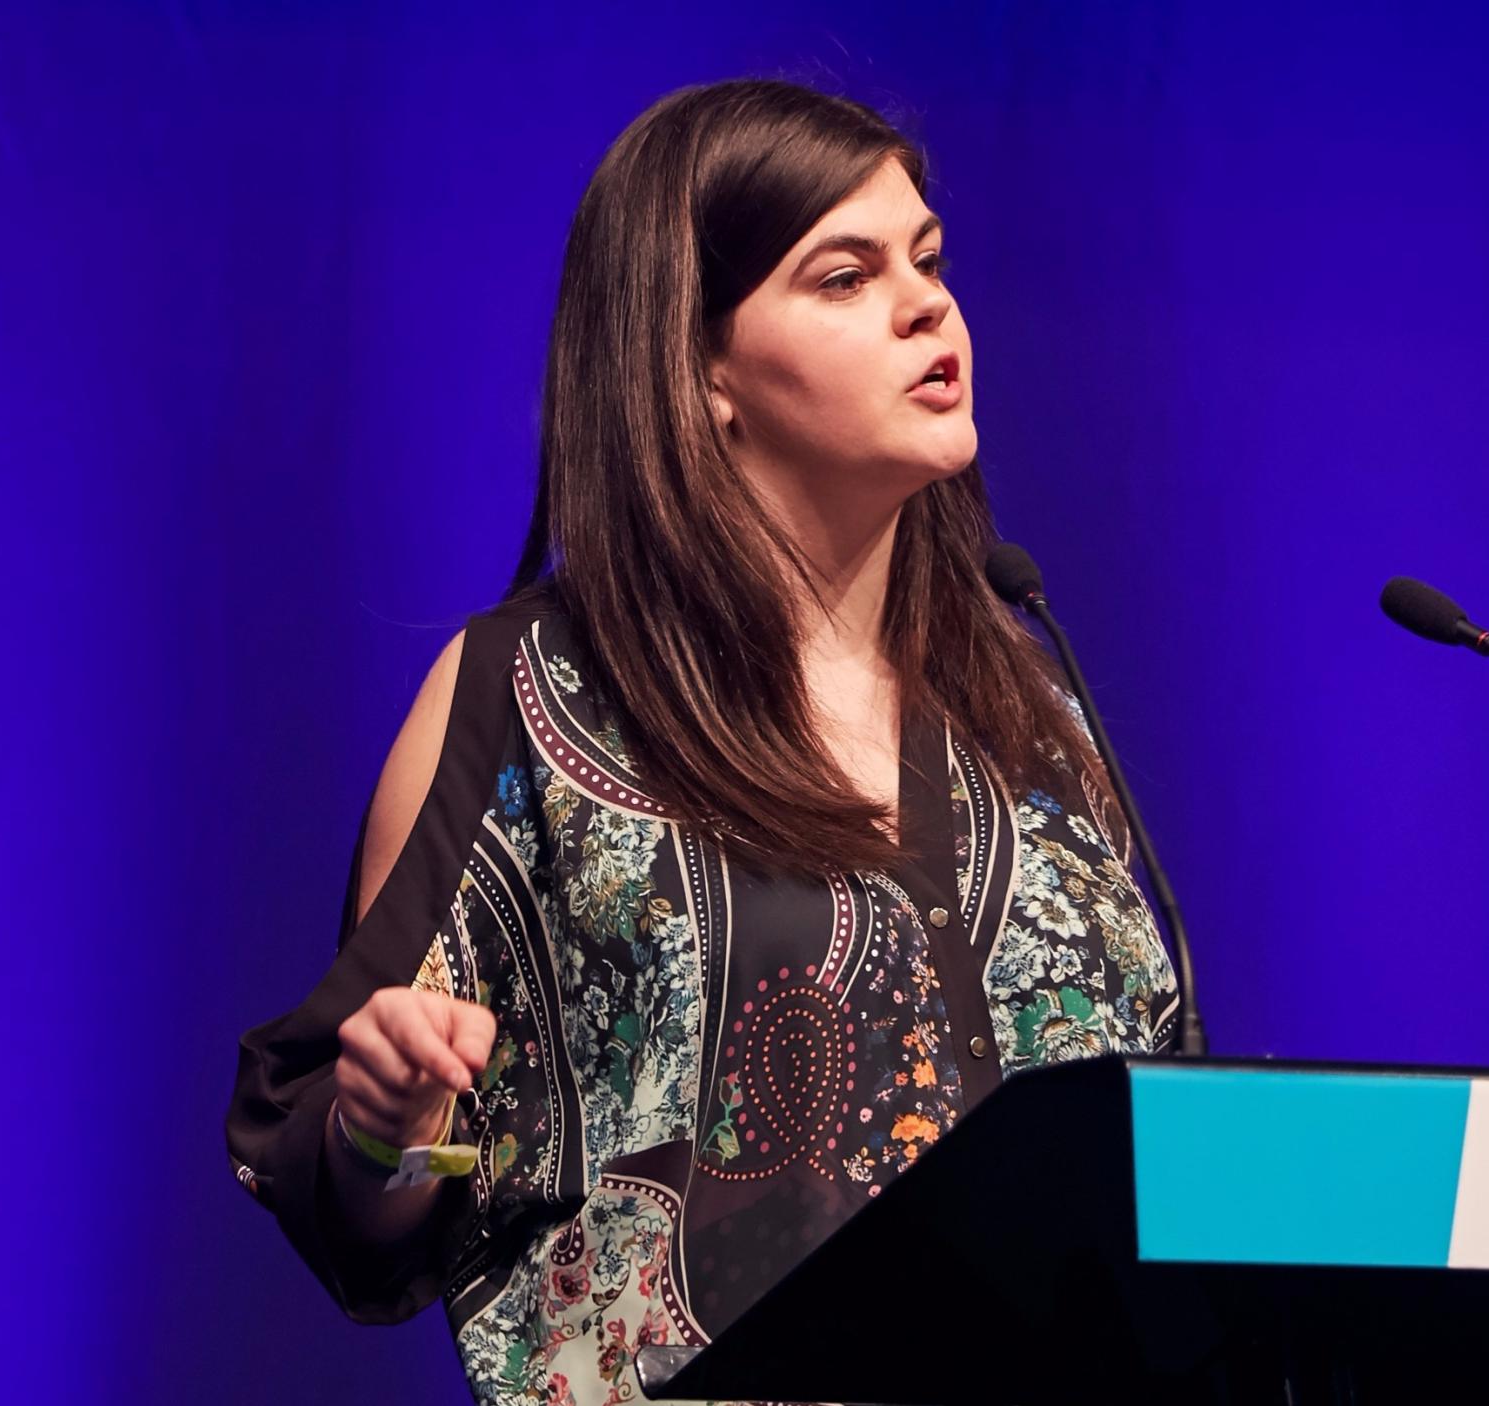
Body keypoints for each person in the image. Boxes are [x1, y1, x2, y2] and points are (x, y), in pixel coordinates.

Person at [226, 78, 1181, 1406]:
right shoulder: (536, 699)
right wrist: (398, 1136)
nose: (927, 304)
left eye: (928, 258)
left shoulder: (1026, 707)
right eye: (844, 275)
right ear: (700, 368)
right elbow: (377, 1197)